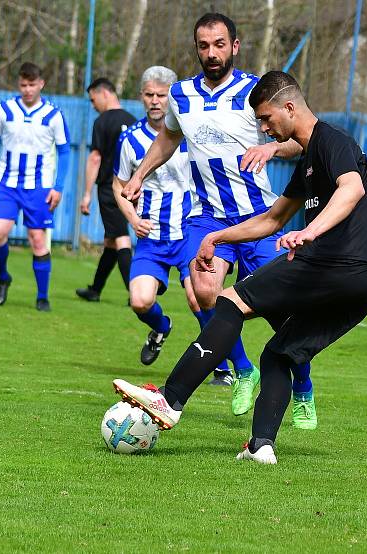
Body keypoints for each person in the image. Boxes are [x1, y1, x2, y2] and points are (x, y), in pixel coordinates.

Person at [114, 71, 367, 464]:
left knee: (229, 303)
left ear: (289, 107)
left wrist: (309, 232)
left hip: (338, 261)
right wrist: (218, 238)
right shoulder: (310, 159)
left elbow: (352, 189)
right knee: (279, 353)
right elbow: (273, 219)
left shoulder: (332, 141)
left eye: (265, 118)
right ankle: (262, 446)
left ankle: (170, 400)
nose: (262, 128)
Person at [121, 13, 315, 429]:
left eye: (219, 44)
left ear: (235, 46)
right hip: (206, 217)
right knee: (204, 293)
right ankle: (243, 367)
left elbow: (297, 140)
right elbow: (170, 138)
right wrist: (139, 175)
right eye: (204, 46)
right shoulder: (180, 95)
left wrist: (270, 151)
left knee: (282, 313)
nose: (212, 53)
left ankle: (303, 385)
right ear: (197, 48)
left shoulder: (253, 91)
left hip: (259, 216)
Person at [112, 65, 201, 366]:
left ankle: (221, 364)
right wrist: (133, 219)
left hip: (189, 230)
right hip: (151, 235)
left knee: (198, 297)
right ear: (141, 97)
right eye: (149, 94)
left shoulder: (191, 135)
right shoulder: (130, 139)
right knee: (139, 301)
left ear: (171, 97)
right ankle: (161, 328)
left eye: (161, 95)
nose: (155, 101)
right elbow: (118, 185)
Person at [0, 62, 71, 312]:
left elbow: (64, 152)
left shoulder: (53, 114)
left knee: (38, 240)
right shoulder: (4, 109)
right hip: (6, 184)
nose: (28, 89)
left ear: (41, 84)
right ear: (18, 84)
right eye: (23, 85)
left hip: (39, 187)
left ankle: (42, 296)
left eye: (32, 84)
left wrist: (58, 186)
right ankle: (3, 277)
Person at [76, 78, 136, 303]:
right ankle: (95, 289)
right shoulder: (133, 121)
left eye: (93, 99)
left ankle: (136, 293)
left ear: (104, 94)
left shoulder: (101, 122)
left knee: (120, 238)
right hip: (131, 188)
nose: (93, 105)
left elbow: (95, 158)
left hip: (110, 189)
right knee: (111, 239)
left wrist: (87, 193)